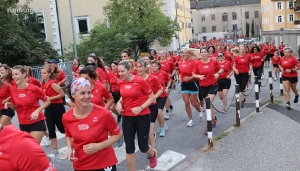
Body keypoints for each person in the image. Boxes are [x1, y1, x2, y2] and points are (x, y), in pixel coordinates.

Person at [63, 78, 122, 171]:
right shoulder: (66, 117)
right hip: (81, 164)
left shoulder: (103, 113)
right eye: (82, 93)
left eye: (89, 92)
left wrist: (98, 146)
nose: (87, 96)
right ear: (73, 95)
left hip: (104, 162)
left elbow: (118, 134)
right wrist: (70, 149)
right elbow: (68, 135)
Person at [116, 60, 157, 170]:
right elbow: (123, 97)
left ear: (130, 70)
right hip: (127, 117)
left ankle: (152, 153)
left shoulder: (140, 81)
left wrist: (140, 108)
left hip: (142, 116)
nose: (120, 74)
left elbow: (152, 97)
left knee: (143, 147)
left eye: (122, 71)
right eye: (118, 71)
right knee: (129, 148)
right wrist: (119, 104)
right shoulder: (120, 82)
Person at [5, 65, 50, 143]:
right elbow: (15, 107)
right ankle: (48, 156)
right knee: (29, 151)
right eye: (12, 75)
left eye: (16, 74)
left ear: (24, 74)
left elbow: (47, 101)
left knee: (33, 148)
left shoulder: (34, 88)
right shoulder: (12, 90)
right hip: (23, 123)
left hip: (36, 122)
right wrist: (10, 105)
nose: (14, 77)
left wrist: (37, 111)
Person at [192, 47, 223, 134]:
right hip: (203, 86)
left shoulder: (213, 61)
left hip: (213, 85)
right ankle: (213, 118)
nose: (204, 53)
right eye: (202, 52)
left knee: (208, 103)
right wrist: (199, 76)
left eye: (205, 52)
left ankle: (208, 124)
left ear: (208, 53)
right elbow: (193, 74)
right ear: (200, 54)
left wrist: (218, 73)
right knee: (209, 105)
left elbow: (221, 68)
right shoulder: (197, 63)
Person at [137, 59, 163, 152]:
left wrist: (154, 97)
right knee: (144, 131)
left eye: (141, 67)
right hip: (141, 108)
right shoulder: (135, 79)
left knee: (149, 131)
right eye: (137, 67)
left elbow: (161, 89)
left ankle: (152, 150)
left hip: (152, 107)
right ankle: (149, 144)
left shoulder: (152, 78)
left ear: (145, 68)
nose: (139, 69)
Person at [41, 65, 66, 154]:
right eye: (41, 73)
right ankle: (55, 149)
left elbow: (62, 94)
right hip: (48, 108)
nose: (42, 75)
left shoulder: (53, 84)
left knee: (62, 129)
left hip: (57, 107)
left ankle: (74, 140)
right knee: (51, 129)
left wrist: (50, 98)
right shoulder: (42, 84)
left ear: (49, 74)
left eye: (44, 73)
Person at [178, 49, 202, 126]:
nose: (184, 55)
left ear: (189, 54)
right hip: (184, 84)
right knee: (186, 103)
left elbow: (196, 73)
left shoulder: (193, 62)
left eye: (186, 53)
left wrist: (190, 78)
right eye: (183, 53)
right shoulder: (180, 62)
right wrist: (179, 78)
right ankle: (191, 119)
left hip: (193, 83)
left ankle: (200, 109)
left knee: (193, 103)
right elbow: (180, 72)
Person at [151, 60, 170, 137]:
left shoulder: (163, 73)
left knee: (159, 113)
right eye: (152, 66)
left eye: (155, 66)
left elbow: (169, 80)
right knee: (157, 114)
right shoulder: (149, 74)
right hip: (153, 96)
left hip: (162, 95)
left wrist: (167, 87)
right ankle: (164, 125)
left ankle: (162, 128)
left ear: (159, 66)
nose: (153, 67)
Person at [158, 50, 175, 119]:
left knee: (166, 97)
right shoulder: (157, 63)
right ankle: (171, 107)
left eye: (163, 54)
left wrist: (172, 75)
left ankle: (167, 112)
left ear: (166, 54)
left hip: (168, 81)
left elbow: (174, 69)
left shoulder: (169, 62)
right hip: (160, 81)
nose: (162, 55)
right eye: (161, 54)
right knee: (163, 97)